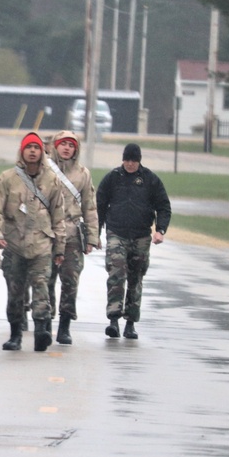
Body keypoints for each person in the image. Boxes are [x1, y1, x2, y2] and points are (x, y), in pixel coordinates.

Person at [0, 132, 66, 352]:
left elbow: (58, 217)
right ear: (21, 151)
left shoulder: (52, 181)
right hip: (14, 245)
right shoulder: (7, 179)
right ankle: (15, 334)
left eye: (36, 148)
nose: (32, 151)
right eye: (28, 147)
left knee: (41, 286)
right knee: (15, 292)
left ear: (42, 152)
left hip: (41, 245)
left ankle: (41, 330)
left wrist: (59, 248)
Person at [96, 143, 171, 340]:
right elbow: (100, 206)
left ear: (139, 161)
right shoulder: (113, 178)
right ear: (123, 160)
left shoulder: (150, 180)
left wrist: (160, 230)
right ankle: (113, 319)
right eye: (127, 160)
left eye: (133, 160)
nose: (130, 164)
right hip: (116, 233)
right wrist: (95, 233)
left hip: (140, 236)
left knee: (135, 278)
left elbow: (163, 206)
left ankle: (130, 322)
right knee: (116, 273)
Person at [45, 130, 101, 345]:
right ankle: (45, 320)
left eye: (71, 145)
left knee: (70, 280)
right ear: (55, 146)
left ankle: (65, 324)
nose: (67, 148)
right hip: (48, 233)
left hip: (72, 235)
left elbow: (90, 206)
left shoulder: (83, 174)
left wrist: (92, 237)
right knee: (45, 279)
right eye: (63, 144)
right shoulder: (44, 169)